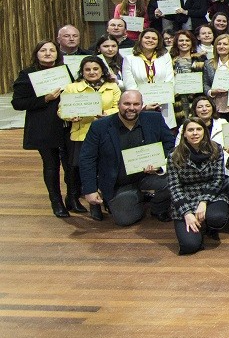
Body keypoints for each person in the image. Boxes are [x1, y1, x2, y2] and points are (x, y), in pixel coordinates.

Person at [78, 91, 176, 226]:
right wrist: (90, 189)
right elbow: (87, 158)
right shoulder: (99, 126)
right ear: (118, 104)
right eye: (127, 104)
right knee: (125, 219)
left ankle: (157, 207)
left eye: (136, 104)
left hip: (148, 176)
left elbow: (170, 143)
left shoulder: (155, 119)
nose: (131, 108)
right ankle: (136, 197)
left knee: (173, 180)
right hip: (119, 182)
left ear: (142, 105)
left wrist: (158, 164)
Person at [12, 40, 74, 217]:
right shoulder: (27, 74)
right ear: (36, 54)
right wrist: (45, 99)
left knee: (71, 165)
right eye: (43, 50)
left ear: (57, 54)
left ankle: (73, 198)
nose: (48, 53)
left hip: (67, 124)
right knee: (51, 165)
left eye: (52, 50)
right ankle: (56, 202)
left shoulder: (64, 70)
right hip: (44, 127)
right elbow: (18, 103)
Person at [59, 56, 122, 218]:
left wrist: (106, 113)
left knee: (105, 168)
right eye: (87, 69)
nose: (92, 72)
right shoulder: (71, 87)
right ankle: (93, 204)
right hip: (81, 134)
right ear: (82, 71)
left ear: (102, 70)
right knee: (86, 169)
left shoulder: (112, 86)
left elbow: (119, 107)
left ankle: (107, 200)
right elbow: (61, 110)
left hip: (106, 133)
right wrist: (70, 116)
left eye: (95, 69)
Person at [167, 117, 229, 255]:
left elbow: (218, 179)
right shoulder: (174, 155)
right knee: (190, 246)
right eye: (190, 130)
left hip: (212, 193)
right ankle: (198, 227)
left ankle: (209, 225)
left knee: (217, 217)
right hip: (186, 196)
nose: (195, 133)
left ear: (204, 132)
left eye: (198, 129)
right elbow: (174, 187)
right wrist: (187, 213)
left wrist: (203, 201)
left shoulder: (216, 149)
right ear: (184, 134)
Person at [121, 27, 176, 128]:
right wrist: (144, 105)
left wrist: (161, 99)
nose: (150, 40)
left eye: (154, 39)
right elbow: (130, 85)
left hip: (164, 104)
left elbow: (170, 80)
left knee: (166, 133)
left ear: (158, 42)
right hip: (141, 106)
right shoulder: (129, 59)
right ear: (140, 39)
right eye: (147, 38)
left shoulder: (165, 57)